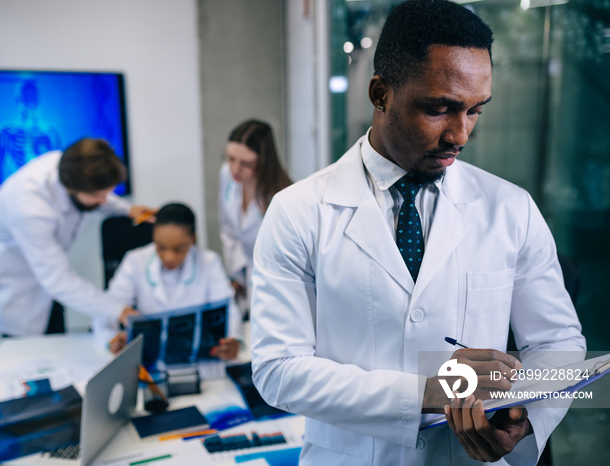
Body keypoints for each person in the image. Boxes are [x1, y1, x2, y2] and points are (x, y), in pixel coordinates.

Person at [250, 1, 586, 465]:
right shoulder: (298, 212)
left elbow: (558, 344)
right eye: (439, 108)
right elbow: (278, 371)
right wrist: (427, 392)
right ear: (380, 93)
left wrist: (524, 417)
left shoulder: (511, 208)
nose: (460, 135)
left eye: (475, 111)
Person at [0, 138, 152, 336]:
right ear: (71, 188)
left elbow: (98, 195)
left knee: (55, 331)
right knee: (25, 349)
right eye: (98, 197)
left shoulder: (70, 165)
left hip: (45, 271)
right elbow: (58, 280)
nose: (104, 201)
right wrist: (118, 311)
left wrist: (127, 209)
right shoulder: (30, 208)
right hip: (15, 277)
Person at [95, 202, 243, 361]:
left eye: (179, 248)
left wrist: (234, 340)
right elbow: (105, 312)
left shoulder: (209, 262)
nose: (169, 257)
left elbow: (229, 311)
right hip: (149, 361)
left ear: (193, 238)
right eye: (161, 247)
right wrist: (112, 340)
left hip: (195, 359)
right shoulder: (135, 261)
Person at [218, 119, 291, 307]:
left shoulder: (283, 196)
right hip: (238, 276)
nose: (235, 169)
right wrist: (234, 274)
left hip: (271, 283)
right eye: (230, 158)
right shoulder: (227, 174)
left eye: (246, 163)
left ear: (264, 162)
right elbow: (227, 228)